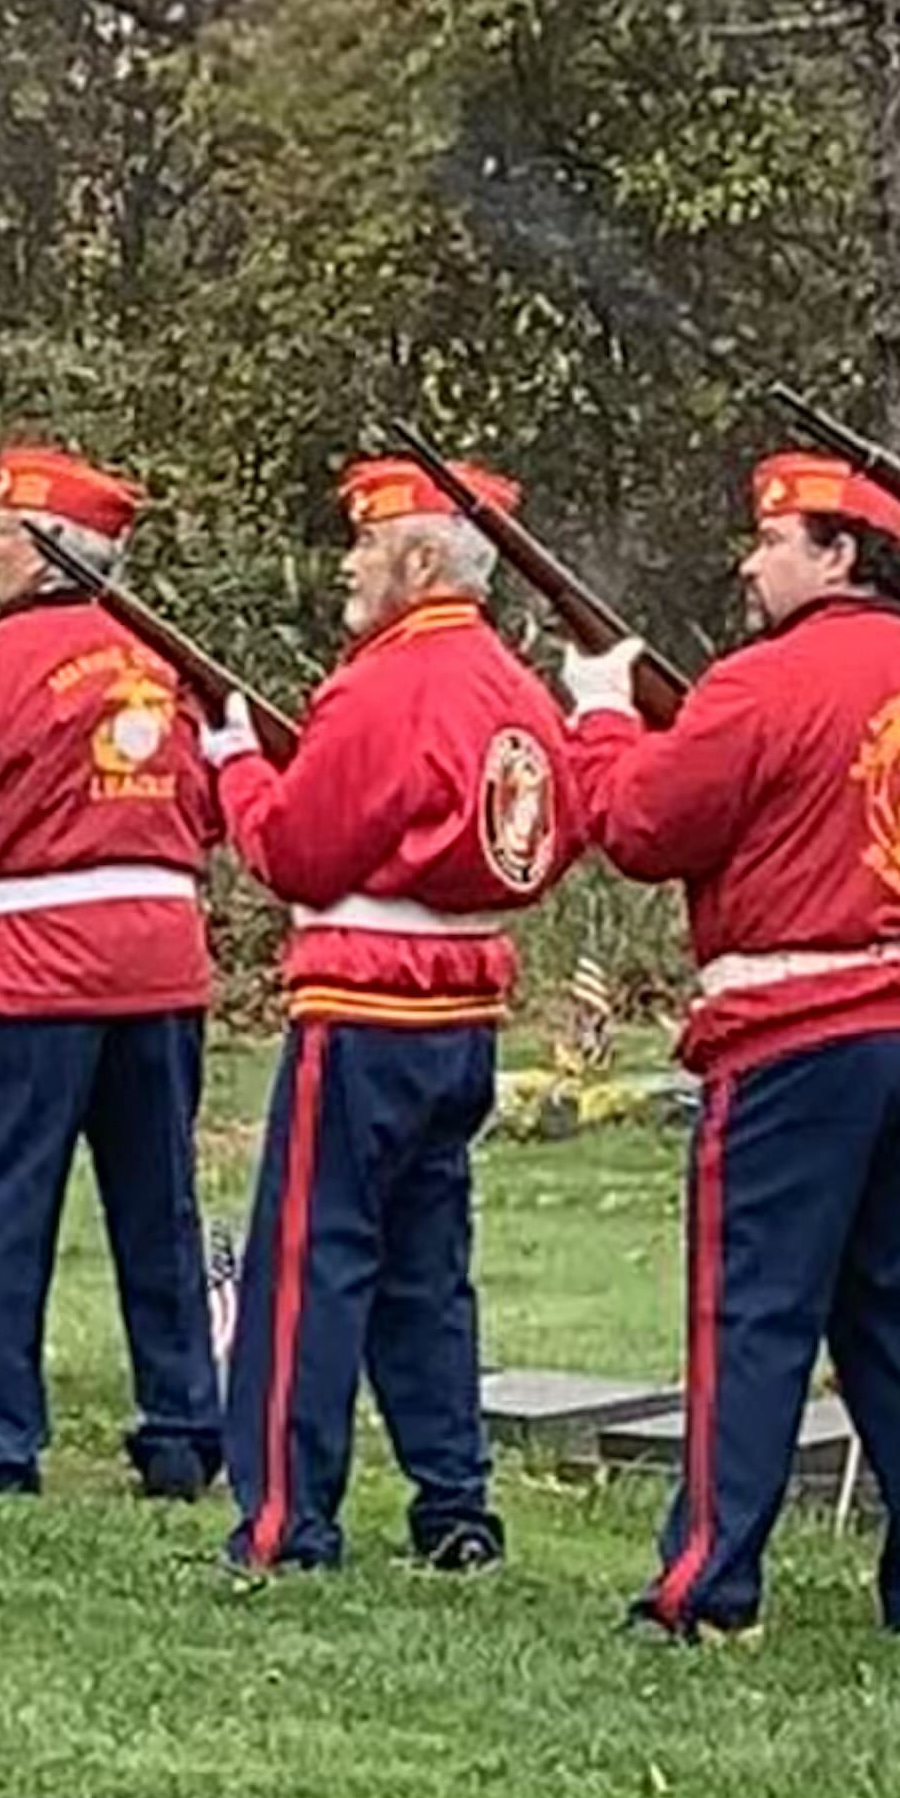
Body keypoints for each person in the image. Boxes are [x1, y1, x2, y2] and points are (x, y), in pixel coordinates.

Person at [559, 453, 900, 1641]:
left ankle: (710, 1580)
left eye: (774, 542)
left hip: (797, 1035)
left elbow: (642, 826)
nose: (751, 564)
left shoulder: (761, 681)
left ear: (840, 554)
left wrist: (601, 715)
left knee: (752, 1311)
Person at [203, 454, 575, 1573]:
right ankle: (453, 1504)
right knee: (427, 1272)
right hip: (462, 1013)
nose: (350, 565)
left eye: (367, 543)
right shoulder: (519, 690)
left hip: (362, 1004)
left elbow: (294, 849)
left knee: (309, 1264)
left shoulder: (379, 684)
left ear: (419, 558)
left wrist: (234, 767)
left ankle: (285, 1518)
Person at [0, 445, 225, 1500]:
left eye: (2, 533)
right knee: (159, 1209)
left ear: (46, 550)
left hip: (32, 974)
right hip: (161, 967)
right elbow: (209, 802)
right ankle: (182, 1429)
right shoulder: (164, 660)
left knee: (10, 1211)